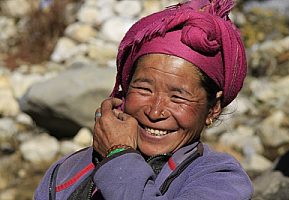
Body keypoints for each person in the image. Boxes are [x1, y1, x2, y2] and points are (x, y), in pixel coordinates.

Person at [35, 0, 253, 199]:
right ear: (125, 88)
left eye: (177, 98)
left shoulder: (221, 179)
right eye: (144, 89)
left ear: (212, 109)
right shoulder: (68, 171)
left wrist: (119, 154)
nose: (155, 111)